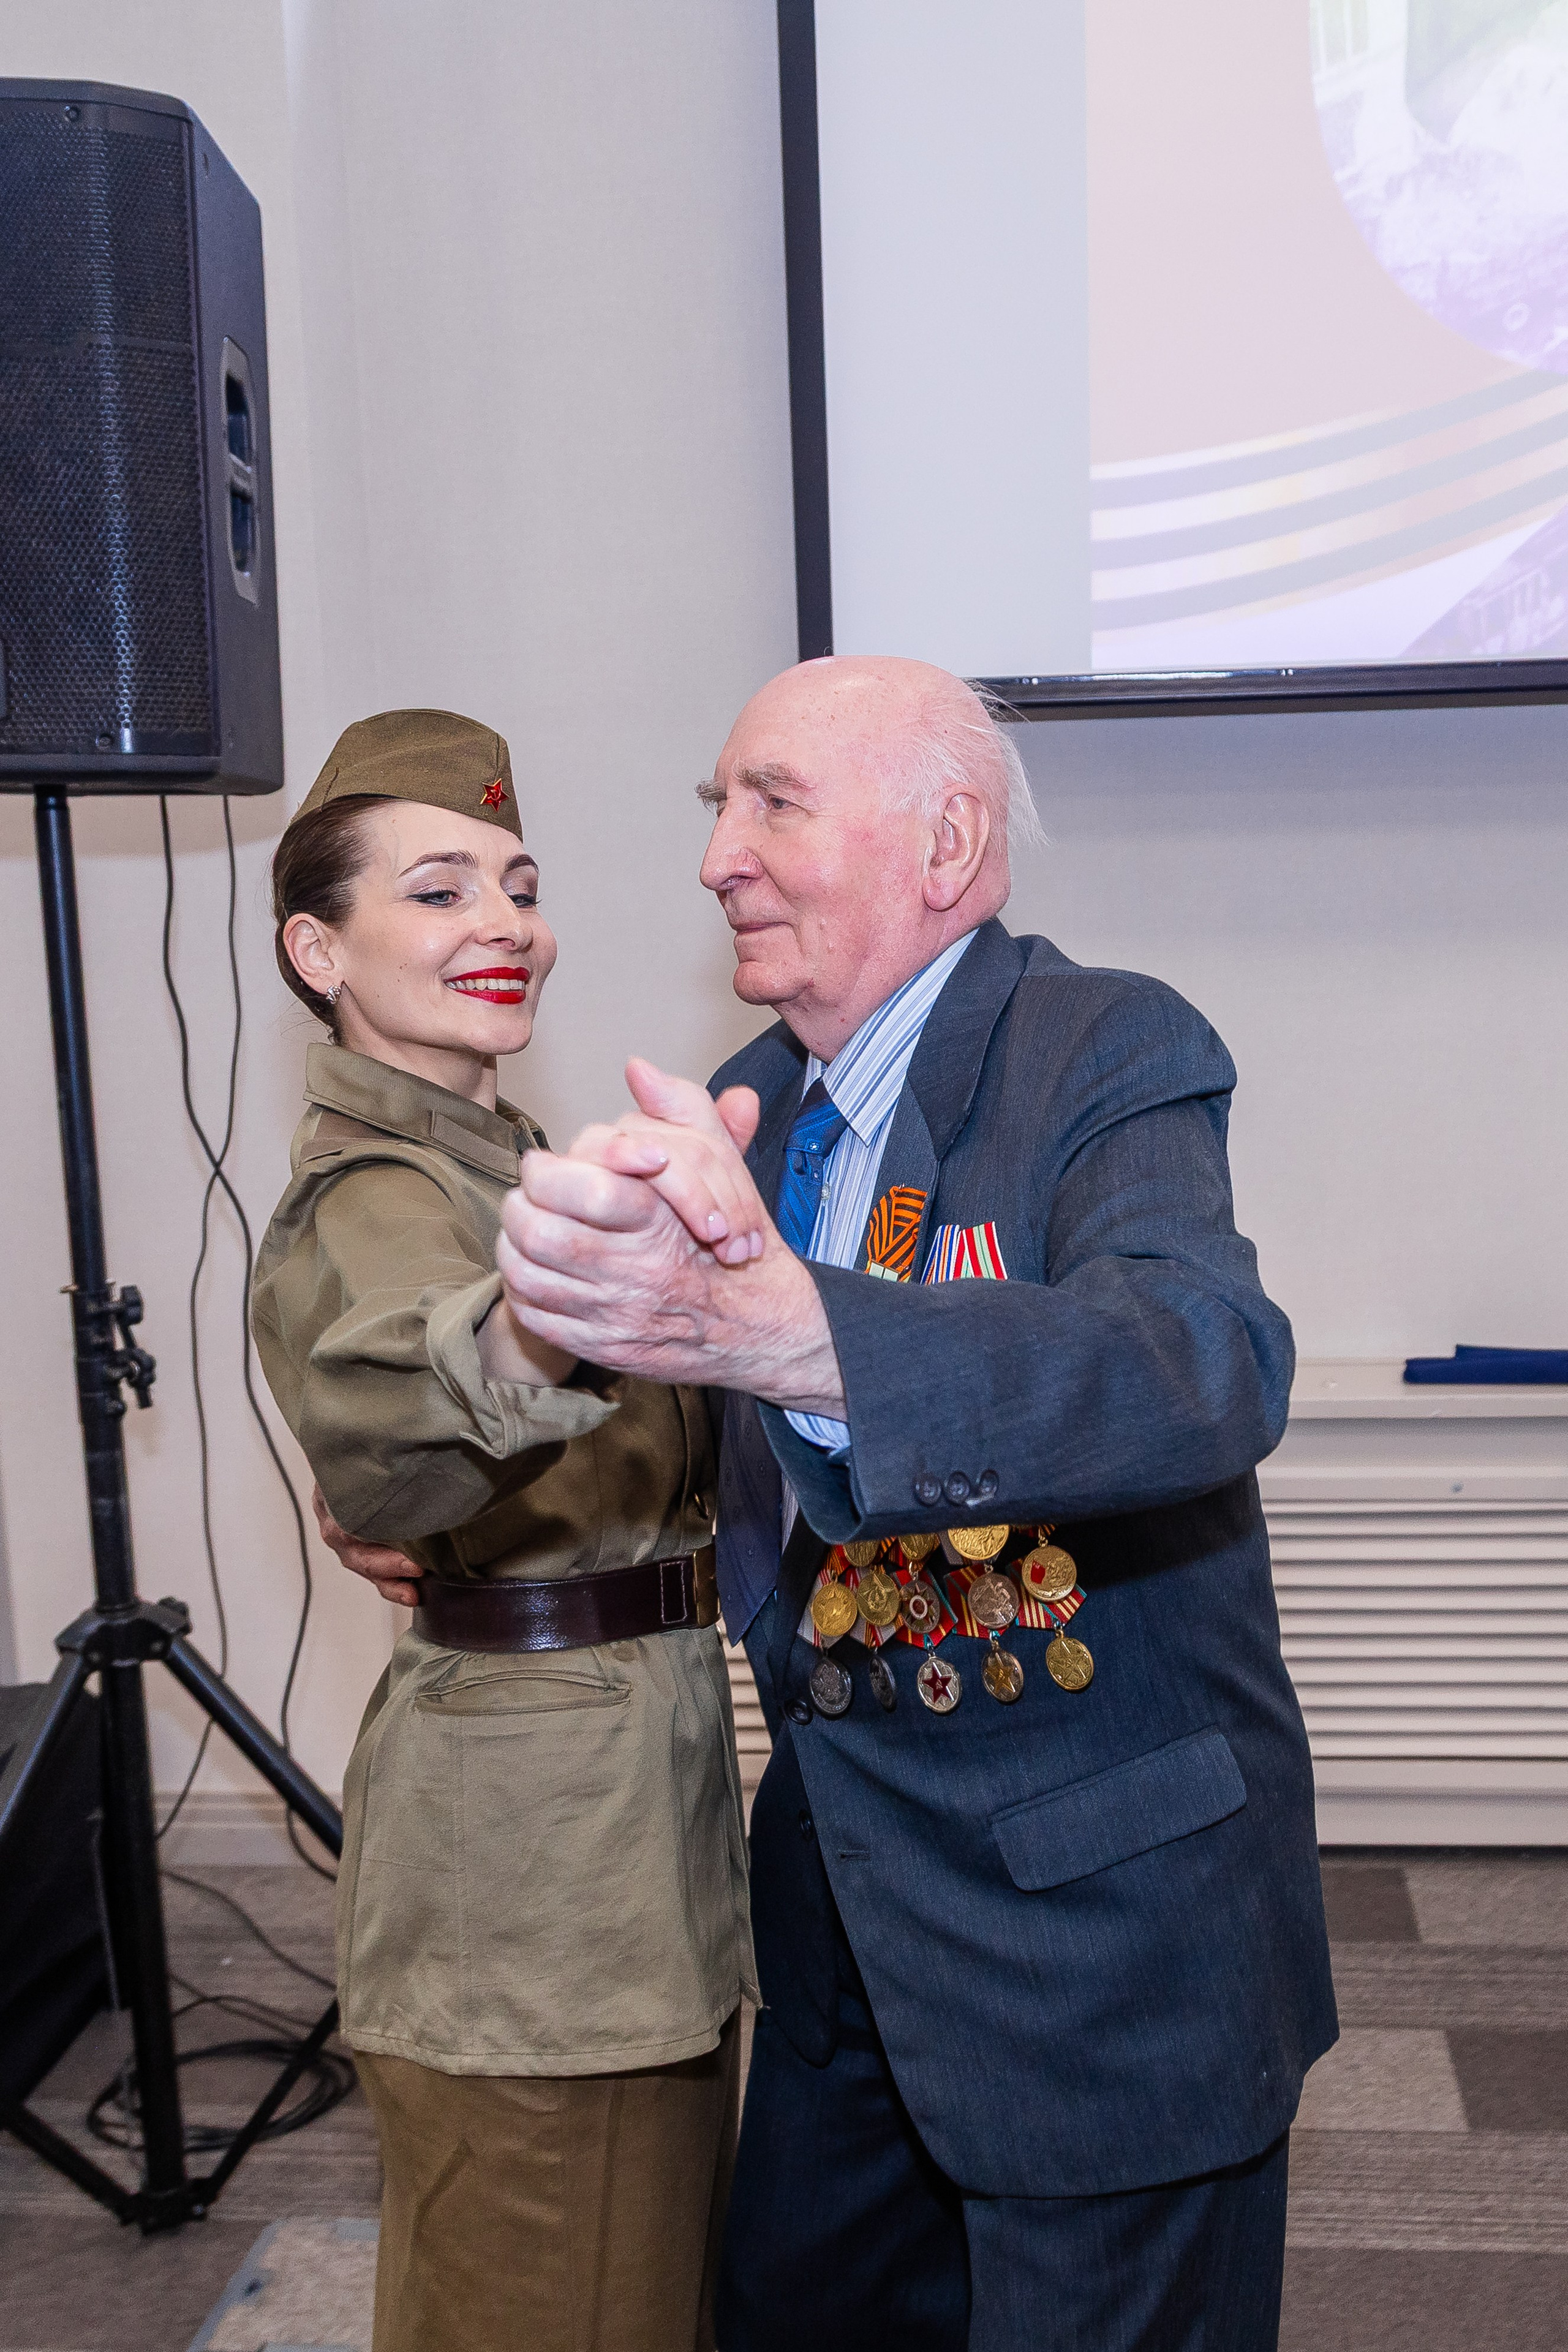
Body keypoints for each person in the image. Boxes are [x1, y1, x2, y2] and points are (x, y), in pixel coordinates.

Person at [484, 655, 1340, 2352]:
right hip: (846, 1915)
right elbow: (755, 1479)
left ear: (947, 843)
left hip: (1098, 1945)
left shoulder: (1105, 1046)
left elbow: (1198, 1360)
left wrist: (780, 1330)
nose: (717, 857)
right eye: (717, 808)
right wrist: (467, 1500)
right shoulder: (755, 1108)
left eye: (771, 804)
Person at [250, 708, 754, 2352]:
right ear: (319, 951)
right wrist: (549, 1316)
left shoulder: (500, 1158)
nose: (505, 926)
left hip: (619, 1826)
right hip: (536, 1878)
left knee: (636, 2280)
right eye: (440, 891)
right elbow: (398, 1394)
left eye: (520, 888)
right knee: (548, 2296)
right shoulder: (374, 1191)